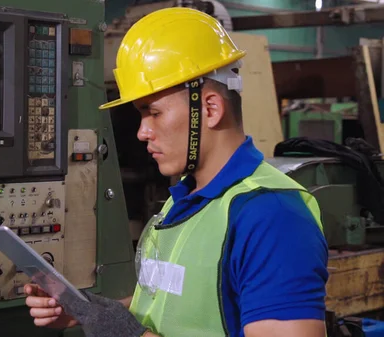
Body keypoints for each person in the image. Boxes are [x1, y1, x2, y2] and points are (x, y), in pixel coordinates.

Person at [25, 7, 329, 337]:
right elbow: (176, 308)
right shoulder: (187, 201)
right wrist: (96, 313)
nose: (142, 132)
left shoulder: (272, 216)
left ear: (210, 109)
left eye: (153, 113)